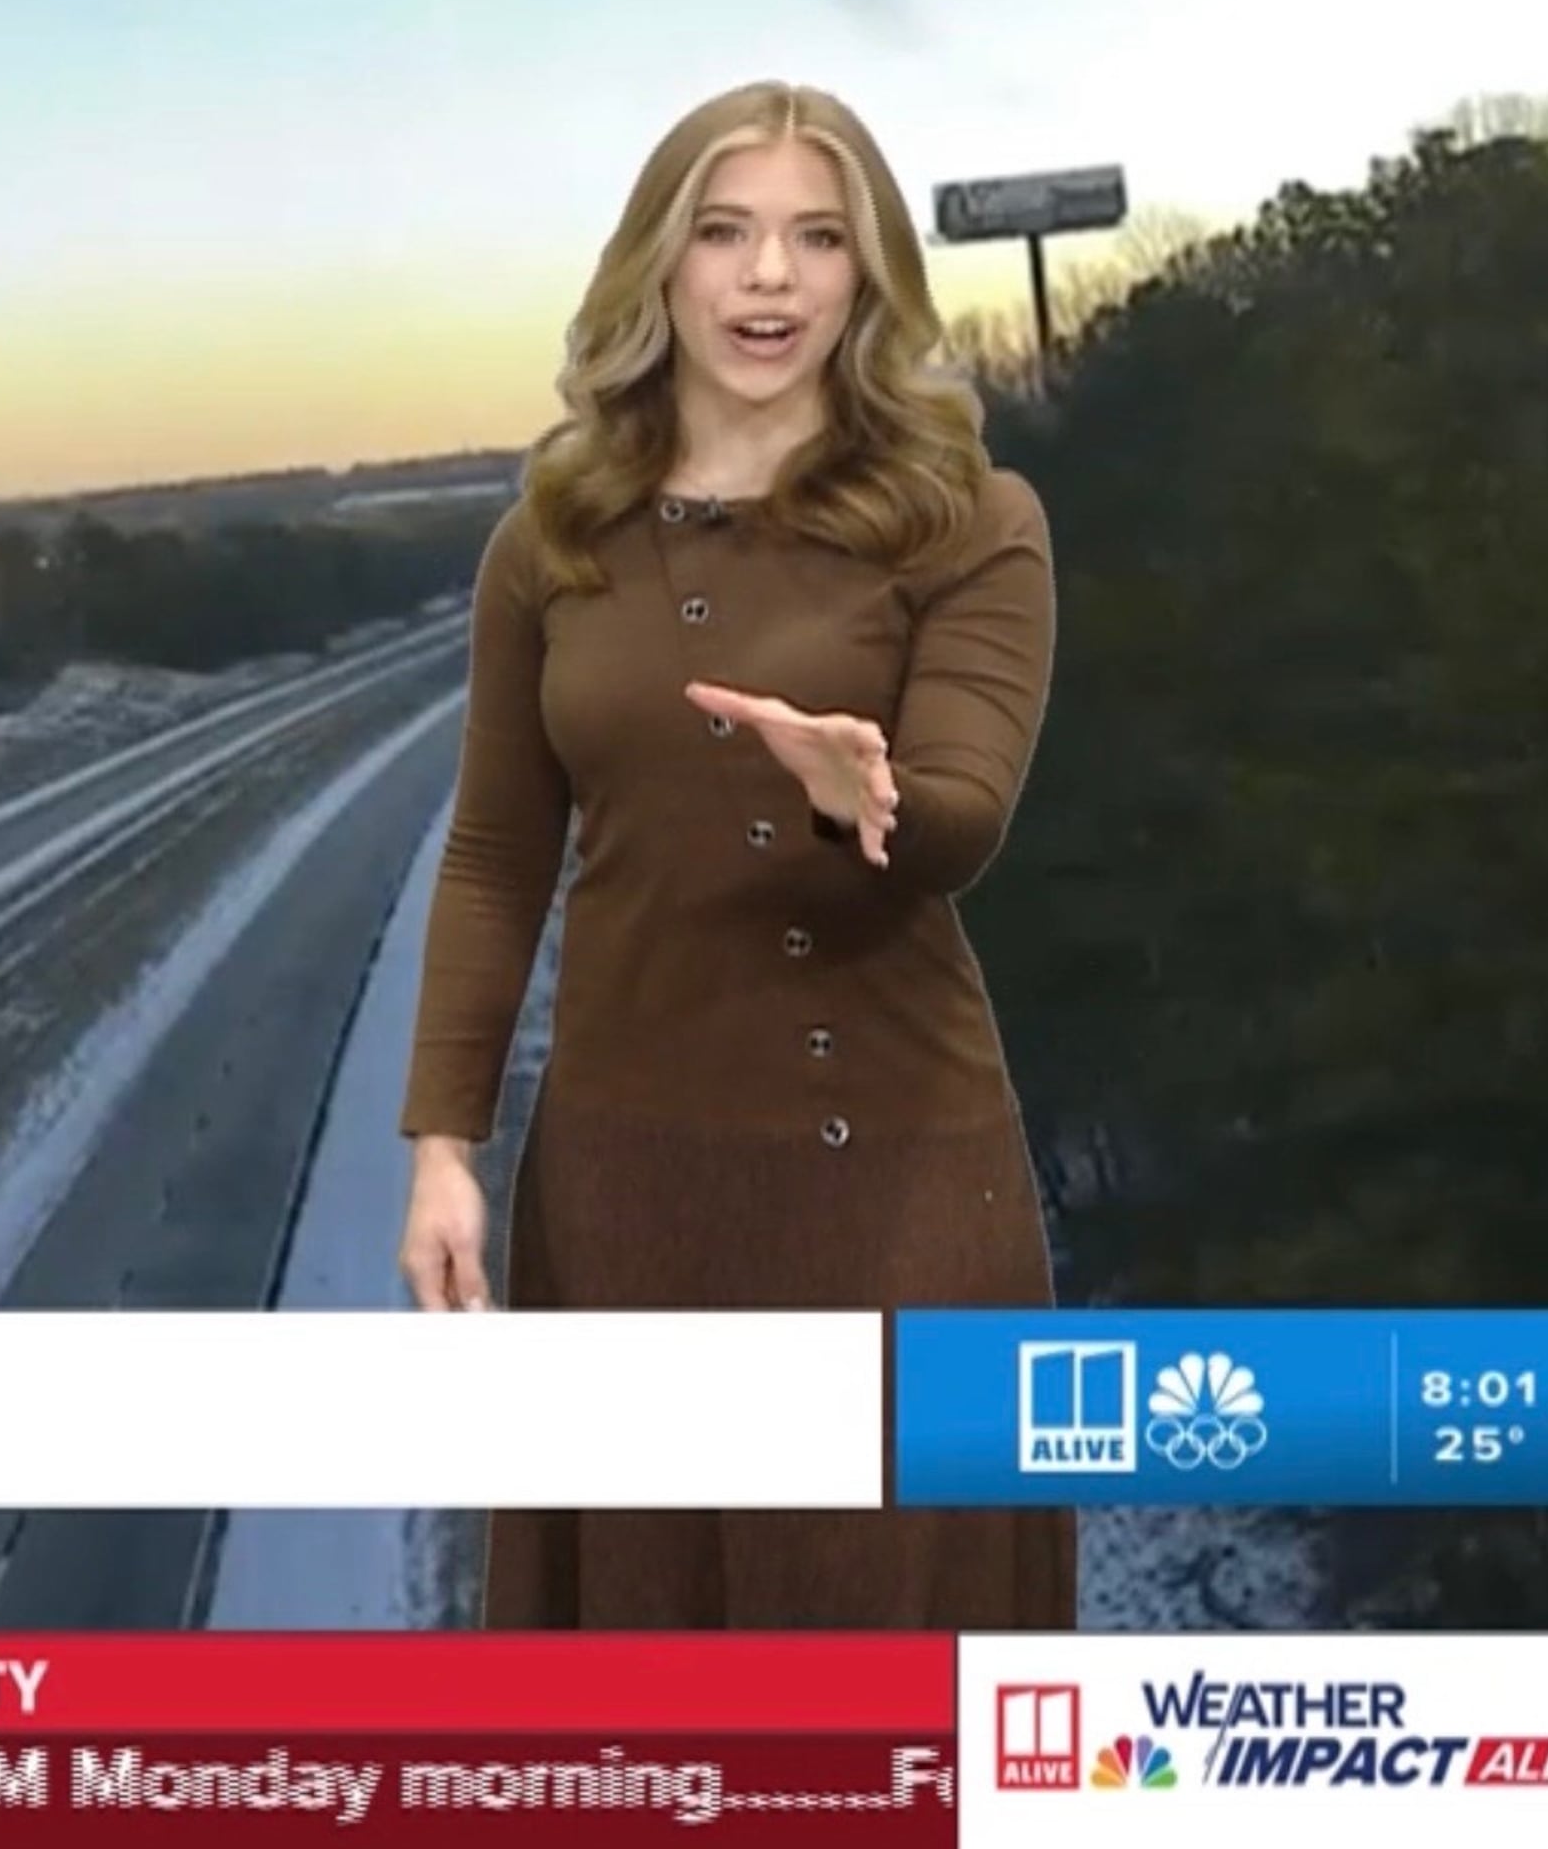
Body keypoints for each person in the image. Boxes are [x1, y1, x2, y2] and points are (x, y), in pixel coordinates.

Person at [391, 79, 1075, 1631]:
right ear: (660, 265)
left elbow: (960, 819)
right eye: (727, 232)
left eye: (817, 237)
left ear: (869, 277)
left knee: (880, 1638)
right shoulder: (548, 541)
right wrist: (446, 1142)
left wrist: (857, 789)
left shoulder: (969, 521)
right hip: (627, 1181)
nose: (770, 276)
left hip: (893, 1172)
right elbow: (498, 854)